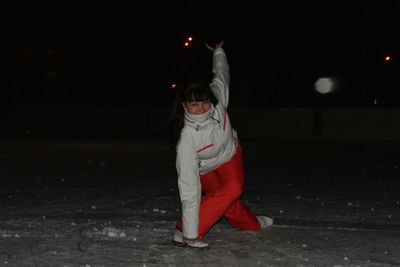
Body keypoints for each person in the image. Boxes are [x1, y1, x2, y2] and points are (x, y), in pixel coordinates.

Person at [170, 41, 273, 249]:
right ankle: (250, 224)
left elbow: (221, 75)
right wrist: (191, 232)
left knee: (233, 188)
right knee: (227, 204)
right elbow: (189, 187)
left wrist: (218, 52)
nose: (201, 108)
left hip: (229, 155)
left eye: (204, 102)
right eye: (194, 104)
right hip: (205, 168)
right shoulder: (186, 139)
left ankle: (184, 229)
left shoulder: (218, 102)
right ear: (184, 105)